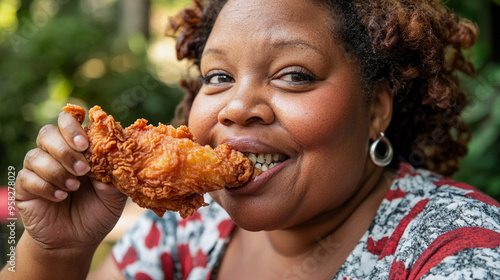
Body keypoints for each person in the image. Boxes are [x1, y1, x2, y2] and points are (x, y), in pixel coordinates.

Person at [2, 0, 500, 279]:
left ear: (377, 110)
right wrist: (56, 254)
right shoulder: (186, 232)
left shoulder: (458, 249)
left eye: (294, 75)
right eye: (217, 77)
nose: (237, 107)